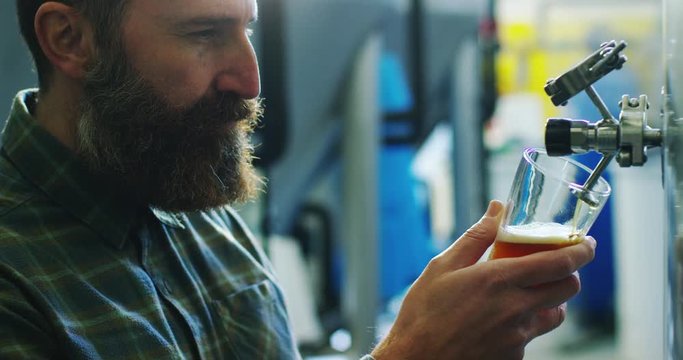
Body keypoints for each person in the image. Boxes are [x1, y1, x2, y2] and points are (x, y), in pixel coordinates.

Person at [0, 0, 595, 359]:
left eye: (248, 31)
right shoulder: (16, 276)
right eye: (203, 35)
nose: (251, 80)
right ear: (69, 40)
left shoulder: (194, 204)